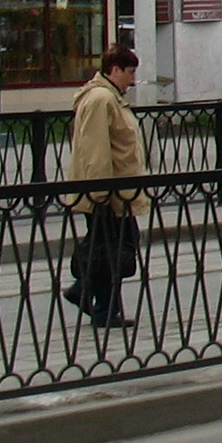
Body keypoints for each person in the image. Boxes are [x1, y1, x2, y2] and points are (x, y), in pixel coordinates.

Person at [64, 44, 148, 328]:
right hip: (108, 193)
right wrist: (100, 193)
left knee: (110, 248)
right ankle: (101, 306)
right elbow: (96, 149)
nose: (132, 79)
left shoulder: (109, 97)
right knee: (113, 251)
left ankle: (88, 295)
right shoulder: (101, 99)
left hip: (117, 191)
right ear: (115, 70)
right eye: (130, 72)